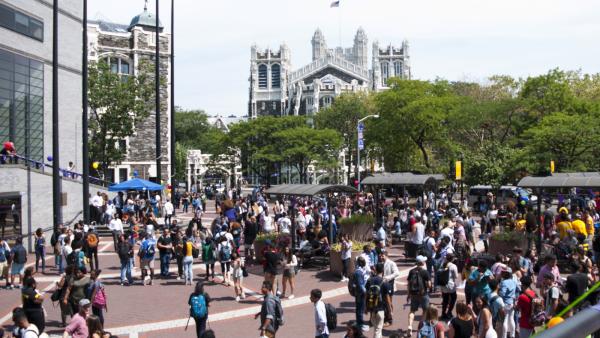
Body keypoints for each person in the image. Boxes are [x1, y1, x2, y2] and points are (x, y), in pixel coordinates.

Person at [407, 255, 431, 335]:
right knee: (425, 310)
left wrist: (408, 294)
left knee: (412, 311)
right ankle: (421, 326)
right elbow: (429, 285)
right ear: (422, 262)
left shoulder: (412, 271)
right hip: (423, 294)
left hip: (413, 294)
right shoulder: (425, 272)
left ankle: (410, 326)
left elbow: (408, 284)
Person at [366, 263, 389, 338]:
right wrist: (390, 308)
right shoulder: (384, 282)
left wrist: (366, 307)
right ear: (383, 271)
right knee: (378, 329)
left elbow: (366, 295)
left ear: (375, 270)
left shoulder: (369, 280)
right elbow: (387, 297)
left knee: (377, 329)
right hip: (380, 308)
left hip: (372, 308)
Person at [380, 250, 400, 326]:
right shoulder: (381, 263)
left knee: (389, 303)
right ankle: (387, 317)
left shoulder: (392, 263)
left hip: (389, 285)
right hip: (383, 286)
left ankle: (389, 319)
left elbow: (397, 273)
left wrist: (387, 278)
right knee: (384, 302)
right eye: (380, 256)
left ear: (386, 255)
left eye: (382, 256)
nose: (381, 257)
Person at [498, 267, 517, 338]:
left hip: (505, 303)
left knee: (505, 320)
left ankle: (504, 336)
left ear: (507, 274)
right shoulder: (513, 281)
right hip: (512, 303)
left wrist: (498, 290)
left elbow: (502, 294)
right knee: (511, 319)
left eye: (503, 272)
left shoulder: (504, 282)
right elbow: (519, 289)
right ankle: (512, 335)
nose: (502, 273)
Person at [440, 253, 459, 320]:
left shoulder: (443, 264)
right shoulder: (453, 266)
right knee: (453, 298)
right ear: (452, 259)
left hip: (443, 285)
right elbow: (456, 276)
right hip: (451, 285)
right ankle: (449, 312)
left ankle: (443, 313)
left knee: (445, 299)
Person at [353, 256, 369, 332]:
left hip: (359, 293)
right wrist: (365, 292)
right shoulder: (358, 272)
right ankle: (360, 324)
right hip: (360, 294)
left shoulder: (359, 271)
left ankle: (359, 323)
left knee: (360, 308)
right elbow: (361, 285)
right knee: (360, 309)